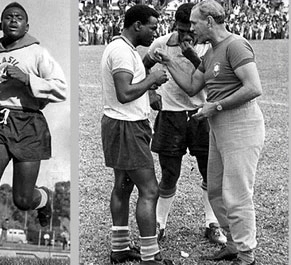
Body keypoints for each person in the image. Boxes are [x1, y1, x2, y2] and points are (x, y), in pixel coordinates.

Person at [155, 1, 265, 264]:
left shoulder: (235, 45)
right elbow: (193, 86)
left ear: (210, 22)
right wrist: (169, 62)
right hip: (218, 125)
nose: (190, 28)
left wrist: (214, 106)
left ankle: (246, 254)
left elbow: (253, 87)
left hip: (241, 123)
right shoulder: (211, 53)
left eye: (194, 23)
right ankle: (234, 244)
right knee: (216, 189)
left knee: (237, 192)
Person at [0, 2, 67, 261]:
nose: (13, 20)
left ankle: (43, 198)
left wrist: (27, 78)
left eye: (19, 17)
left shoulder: (38, 53)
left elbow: (61, 89)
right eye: (8, 17)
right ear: (0, 24)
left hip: (29, 123)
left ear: (27, 26)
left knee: (22, 198)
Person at [142, 2, 226, 245]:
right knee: (169, 174)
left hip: (202, 114)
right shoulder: (161, 43)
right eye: (181, 30)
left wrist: (191, 53)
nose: (186, 35)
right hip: (170, 115)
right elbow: (143, 66)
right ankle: (160, 223)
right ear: (175, 26)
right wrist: (150, 93)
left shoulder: (209, 46)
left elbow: (213, 77)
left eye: (190, 29)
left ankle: (211, 222)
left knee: (208, 172)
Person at [100, 5, 172, 265]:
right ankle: (150, 255)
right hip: (127, 126)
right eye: (152, 27)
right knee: (150, 189)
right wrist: (152, 79)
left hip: (120, 123)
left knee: (122, 185)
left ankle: (119, 249)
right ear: (137, 26)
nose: (156, 32)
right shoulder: (121, 51)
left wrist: (149, 93)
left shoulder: (122, 48)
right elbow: (125, 92)